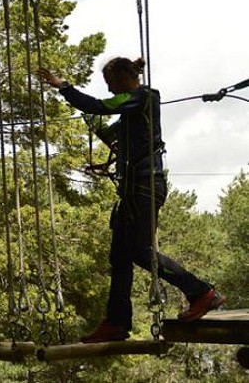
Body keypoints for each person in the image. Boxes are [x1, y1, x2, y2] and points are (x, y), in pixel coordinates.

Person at [38, 57, 225, 343]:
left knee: (140, 250)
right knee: (121, 256)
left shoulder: (143, 97)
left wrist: (63, 87)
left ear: (125, 77)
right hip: (134, 189)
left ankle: (201, 292)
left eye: (112, 84)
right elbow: (115, 133)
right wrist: (107, 162)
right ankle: (116, 322)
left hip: (145, 187)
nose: (111, 90)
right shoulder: (132, 111)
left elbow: (99, 106)